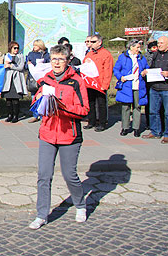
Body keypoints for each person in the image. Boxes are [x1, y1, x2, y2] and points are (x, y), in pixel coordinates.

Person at [28, 44, 89, 230]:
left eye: (60, 59)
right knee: (43, 176)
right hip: (47, 133)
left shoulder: (76, 81)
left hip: (68, 135)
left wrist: (63, 107)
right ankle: (41, 215)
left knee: (69, 175)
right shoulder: (45, 80)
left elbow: (84, 110)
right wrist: (38, 102)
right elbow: (36, 103)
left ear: (68, 60)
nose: (56, 62)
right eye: (53, 59)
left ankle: (80, 205)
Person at [141, 36, 168, 143]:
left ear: (167, 44)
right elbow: (152, 67)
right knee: (153, 111)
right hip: (155, 87)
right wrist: (147, 71)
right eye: (158, 43)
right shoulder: (156, 55)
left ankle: (167, 134)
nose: (159, 45)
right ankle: (155, 131)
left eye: (161, 43)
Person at [113, 39, 149, 137]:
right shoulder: (123, 57)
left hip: (138, 85)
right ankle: (125, 127)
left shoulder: (141, 57)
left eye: (139, 47)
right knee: (126, 107)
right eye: (137, 47)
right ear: (131, 47)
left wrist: (145, 72)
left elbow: (146, 68)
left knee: (137, 106)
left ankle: (136, 128)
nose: (139, 49)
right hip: (127, 85)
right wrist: (121, 77)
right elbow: (116, 69)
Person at [83, 34, 114, 132]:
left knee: (101, 104)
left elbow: (108, 70)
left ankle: (102, 123)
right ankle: (91, 121)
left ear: (99, 43)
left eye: (93, 42)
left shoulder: (106, 54)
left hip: (100, 83)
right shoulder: (90, 54)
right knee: (90, 103)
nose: (91, 44)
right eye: (90, 42)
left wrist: (105, 85)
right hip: (90, 83)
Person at [2, 41, 27, 123]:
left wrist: (11, 66)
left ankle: (16, 116)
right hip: (8, 79)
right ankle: (10, 114)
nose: (16, 50)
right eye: (14, 48)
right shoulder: (6, 56)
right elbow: (4, 65)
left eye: (17, 48)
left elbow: (20, 67)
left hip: (17, 80)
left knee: (15, 100)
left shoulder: (20, 56)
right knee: (8, 100)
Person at [26, 39, 50, 123]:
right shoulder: (30, 54)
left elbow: (49, 66)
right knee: (34, 97)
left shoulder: (46, 55)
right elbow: (26, 65)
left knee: (43, 97)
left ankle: (43, 116)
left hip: (43, 79)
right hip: (33, 78)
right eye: (33, 45)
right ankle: (35, 115)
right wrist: (29, 65)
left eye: (36, 45)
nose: (34, 47)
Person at [143, 40, 159, 132]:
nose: (155, 49)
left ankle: (159, 123)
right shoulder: (146, 56)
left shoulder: (161, 55)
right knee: (149, 104)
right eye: (153, 47)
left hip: (159, 81)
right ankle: (149, 123)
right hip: (148, 82)